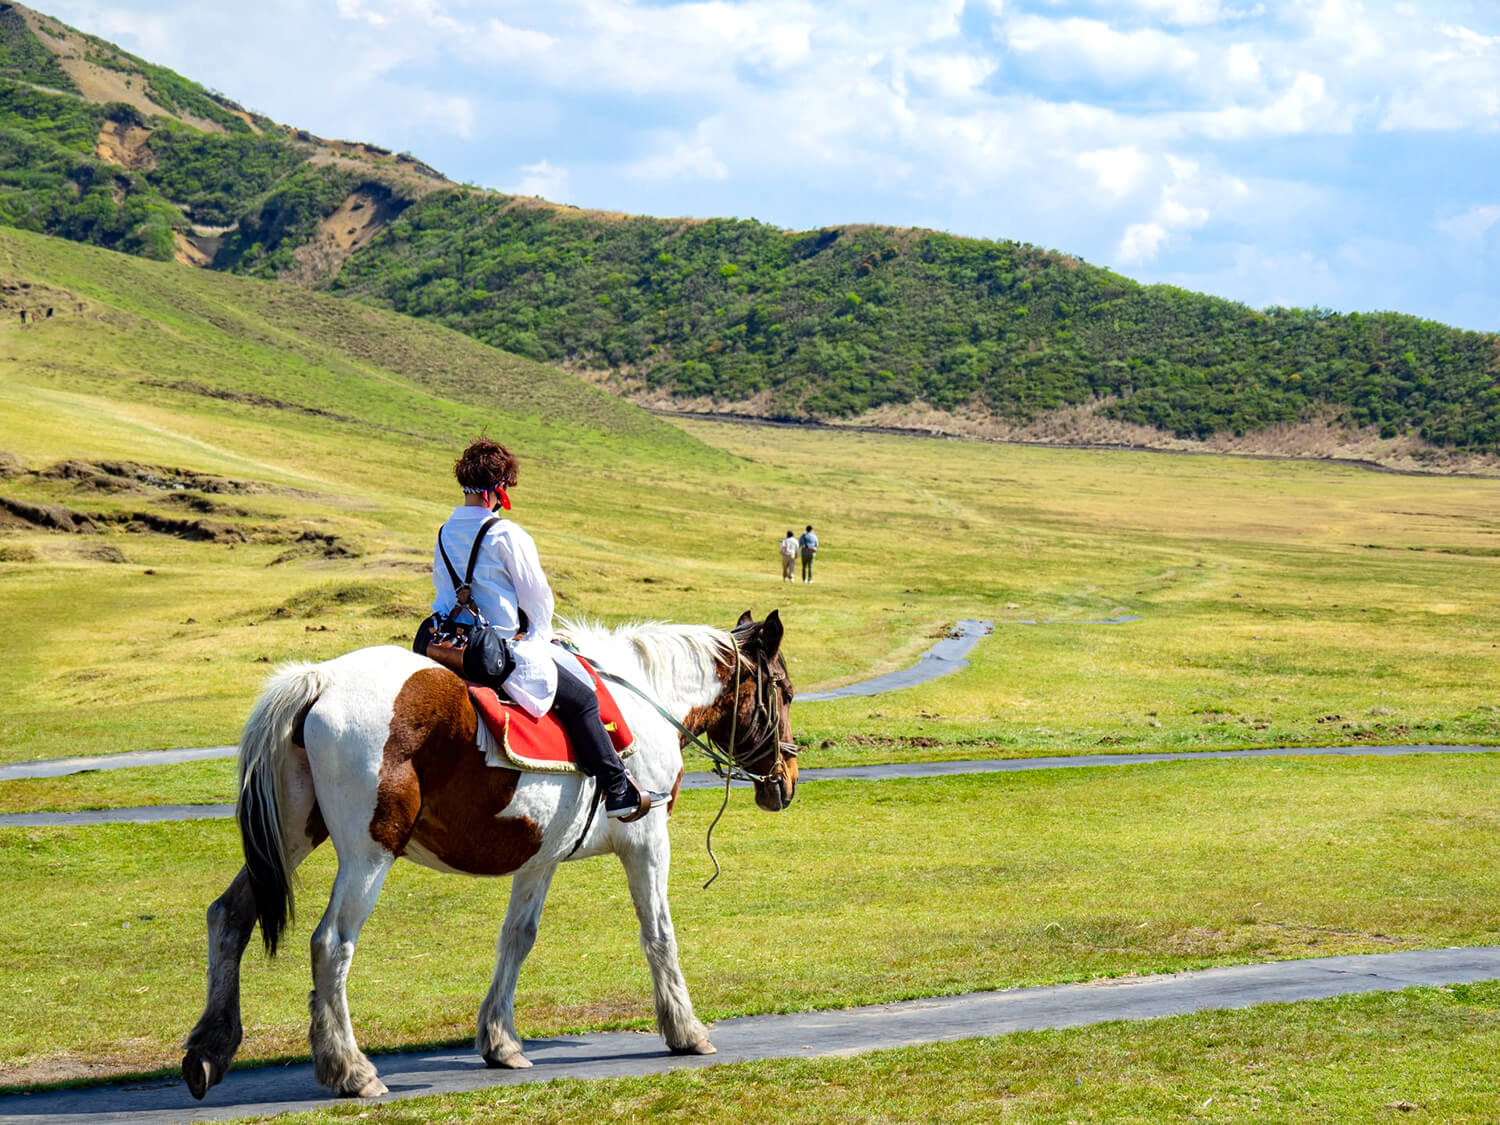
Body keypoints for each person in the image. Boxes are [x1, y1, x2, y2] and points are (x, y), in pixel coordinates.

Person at [427, 437, 665, 820]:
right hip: (498, 650)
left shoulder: (443, 532)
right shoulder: (507, 535)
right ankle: (618, 788)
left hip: (451, 645)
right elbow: (537, 599)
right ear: (499, 489)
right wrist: (541, 633)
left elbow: (442, 595)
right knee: (583, 698)